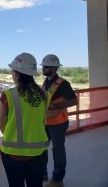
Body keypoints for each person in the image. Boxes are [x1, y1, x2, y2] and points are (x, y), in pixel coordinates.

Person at [0, 53, 51, 187]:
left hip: (12, 154)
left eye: (12, 70)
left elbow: (2, 126)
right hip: (39, 152)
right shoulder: (45, 95)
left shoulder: (8, 95)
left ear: (17, 73)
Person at [41, 54, 78, 187]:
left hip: (58, 123)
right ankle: (42, 173)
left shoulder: (63, 84)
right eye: (43, 66)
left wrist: (56, 106)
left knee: (58, 150)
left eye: (45, 67)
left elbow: (74, 101)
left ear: (54, 68)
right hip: (45, 122)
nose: (43, 69)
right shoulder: (46, 82)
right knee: (42, 148)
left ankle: (57, 179)